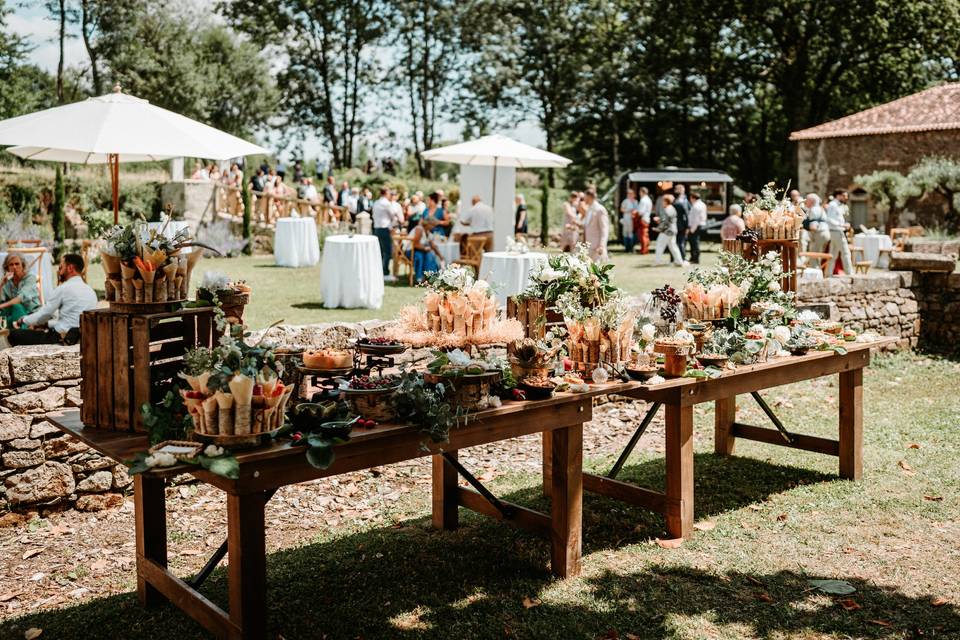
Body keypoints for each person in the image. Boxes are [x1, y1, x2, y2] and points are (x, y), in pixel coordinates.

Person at [9, 254, 96, 346]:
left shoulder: (64, 288)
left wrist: (23, 320)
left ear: (70, 268)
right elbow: (72, 322)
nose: (58, 271)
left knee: (13, 334)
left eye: (61, 266)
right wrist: (47, 324)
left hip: (60, 340)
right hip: (79, 338)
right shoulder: (90, 291)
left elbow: (42, 316)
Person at [0, 254, 40, 325]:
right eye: (11, 265)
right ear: (7, 268)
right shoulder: (6, 280)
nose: (14, 267)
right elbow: (1, 300)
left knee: (17, 307)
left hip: (30, 312)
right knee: (4, 316)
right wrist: (1, 284)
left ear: (23, 266)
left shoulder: (30, 278)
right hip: (12, 312)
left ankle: (22, 332)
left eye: (17, 264)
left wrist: (1, 306)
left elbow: (19, 299)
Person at [406, 218, 445, 283]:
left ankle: (431, 276)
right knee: (420, 255)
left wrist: (441, 257)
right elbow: (415, 244)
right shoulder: (419, 229)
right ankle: (419, 277)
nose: (434, 227)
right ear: (428, 224)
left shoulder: (427, 232)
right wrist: (425, 248)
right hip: (410, 251)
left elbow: (433, 246)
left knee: (429, 255)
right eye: (433, 225)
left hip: (419, 251)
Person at [372, 187, 399, 280]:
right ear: (386, 193)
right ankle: (385, 273)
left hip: (376, 228)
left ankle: (379, 271)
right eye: (389, 193)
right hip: (384, 229)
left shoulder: (375, 202)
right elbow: (393, 215)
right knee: (387, 252)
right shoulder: (386, 203)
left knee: (379, 251)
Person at [653, 194, 686, 267]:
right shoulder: (672, 208)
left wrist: (658, 228)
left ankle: (657, 262)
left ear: (666, 201)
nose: (662, 202)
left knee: (659, 245)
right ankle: (679, 261)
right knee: (673, 246)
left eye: (663, 201)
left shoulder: (667, 209)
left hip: (667, 231)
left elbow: (665, 222)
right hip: (673, 230)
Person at [826, 190, 853, 274]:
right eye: (844, 196)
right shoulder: (833, 205)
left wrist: (843, 224)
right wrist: (842, 225)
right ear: (838, 195)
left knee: (833, 254)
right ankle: (850, 273)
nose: (846, 198)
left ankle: (828, 273)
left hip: (836, 231)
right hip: (836, 231)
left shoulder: (837, 205)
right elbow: (829, 219)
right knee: (846, 253)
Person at [582, 188, 609, 262]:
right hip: (589, 246)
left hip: (597, 247)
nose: (584, 199)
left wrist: (601, 245)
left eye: (585, 197)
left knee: (597, 271)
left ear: (589, 197)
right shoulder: (589, 209)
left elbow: (604, 229)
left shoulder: (600, 209)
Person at [687, 191, 707, 264]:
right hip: (698, 225)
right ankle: (694, 258)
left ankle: (695, 258)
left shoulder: (696, 206)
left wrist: (692, 229)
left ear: (693, 198)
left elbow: (696, 219)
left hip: (695, 226)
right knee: (695, 242)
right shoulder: (701, 204)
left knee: (694, 243)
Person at [673, 184, 690, 260]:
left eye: (677, 189)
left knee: (681, 242)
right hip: (677, 224)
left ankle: (682, 258)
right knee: (677, 242)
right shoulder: (676, 200)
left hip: (681, 225)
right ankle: (678, 258)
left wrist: (687, 226)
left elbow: (687, 214)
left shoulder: (684, 200)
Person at [620, 188, 638, 254]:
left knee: (632, 233)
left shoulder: (635, 201)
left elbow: (637, 210)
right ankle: (626, 248)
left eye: (631, 194)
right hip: (626, 218)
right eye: (629, 194)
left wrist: (634, 212)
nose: (630, 195)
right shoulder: (625, 201)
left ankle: (632, 247)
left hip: (633, 219)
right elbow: (621, 209)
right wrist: (628, 210)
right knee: (625, 233)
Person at [635, 186, 652, 254]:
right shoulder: (648, 199)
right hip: (646, 218)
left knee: (642, 235)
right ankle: (645, 249)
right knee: (645, 235)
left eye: (640, 192)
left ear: (642, 192)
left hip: (643, 219)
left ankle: (644, 250)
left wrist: (636, 213)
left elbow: (641, 211)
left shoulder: (643, 200)